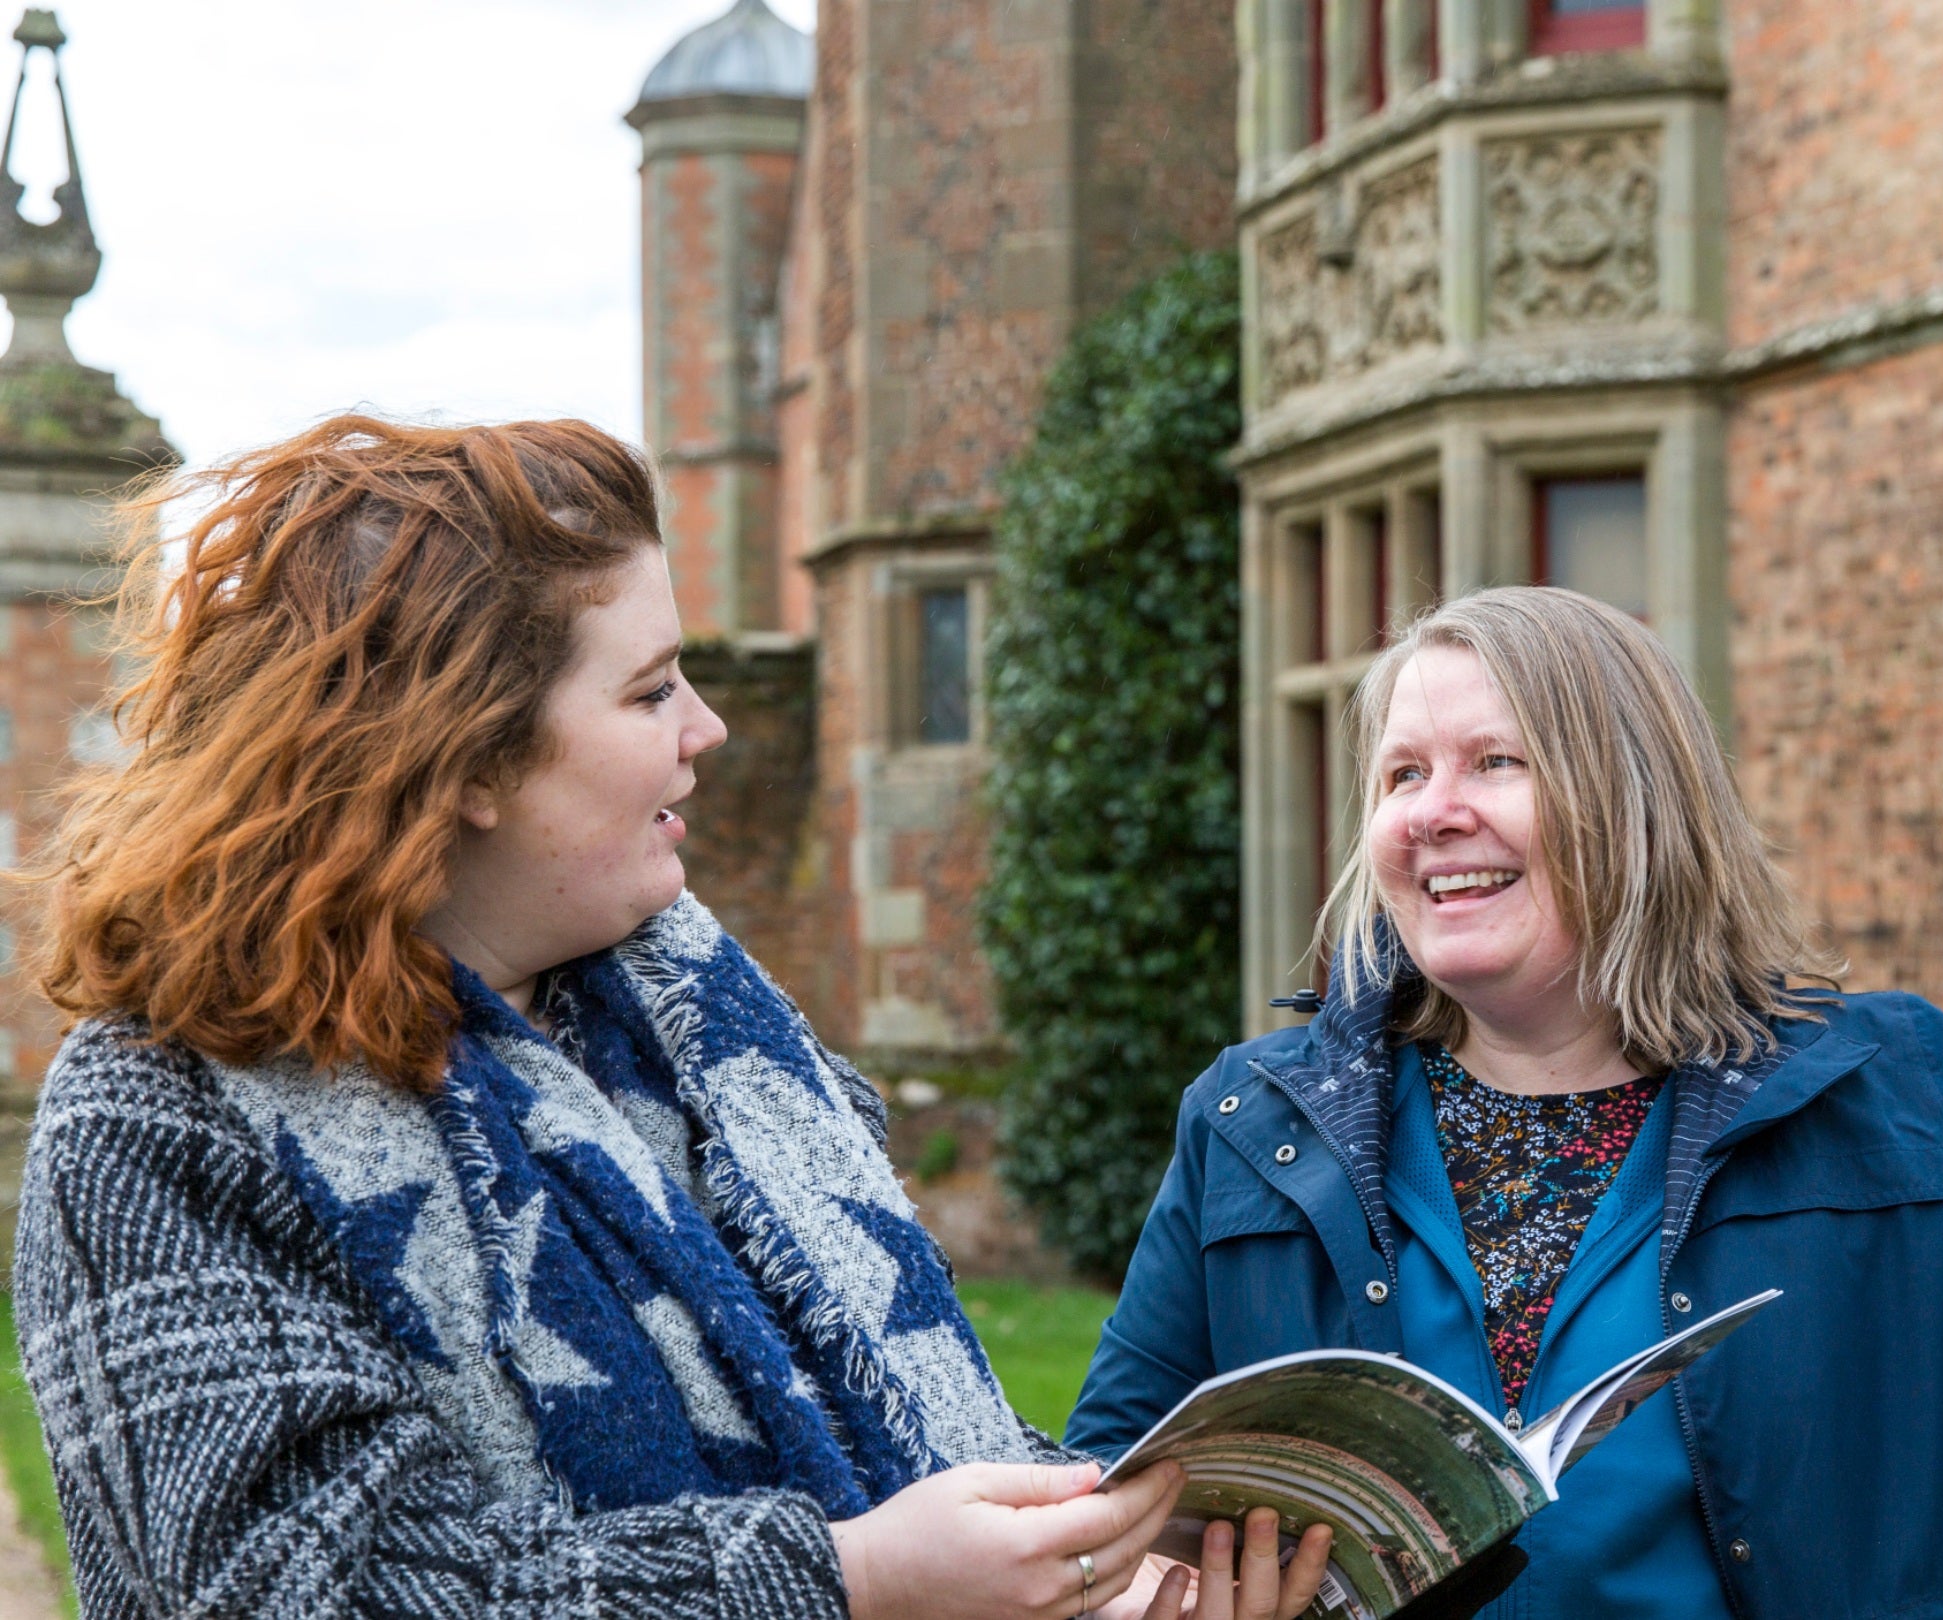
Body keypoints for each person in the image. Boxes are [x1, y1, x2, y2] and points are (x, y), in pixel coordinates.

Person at [13, 416, 1333, 1620]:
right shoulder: (162, 1117)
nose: (706, 730)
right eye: (649, 692)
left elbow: (898, 1439)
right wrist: (852, 1583)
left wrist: (1108, 1575)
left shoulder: (715, 1033)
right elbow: (298, 1592)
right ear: (465, 758)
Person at [1067, 585, 1943, 1619]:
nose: (1432, 811)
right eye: (1401, 774)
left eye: (1497, 763)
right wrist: (1156, 1593)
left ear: (1635, 804)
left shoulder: (1884, 1093)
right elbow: (1093, 1500)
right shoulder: (1254, 1127)